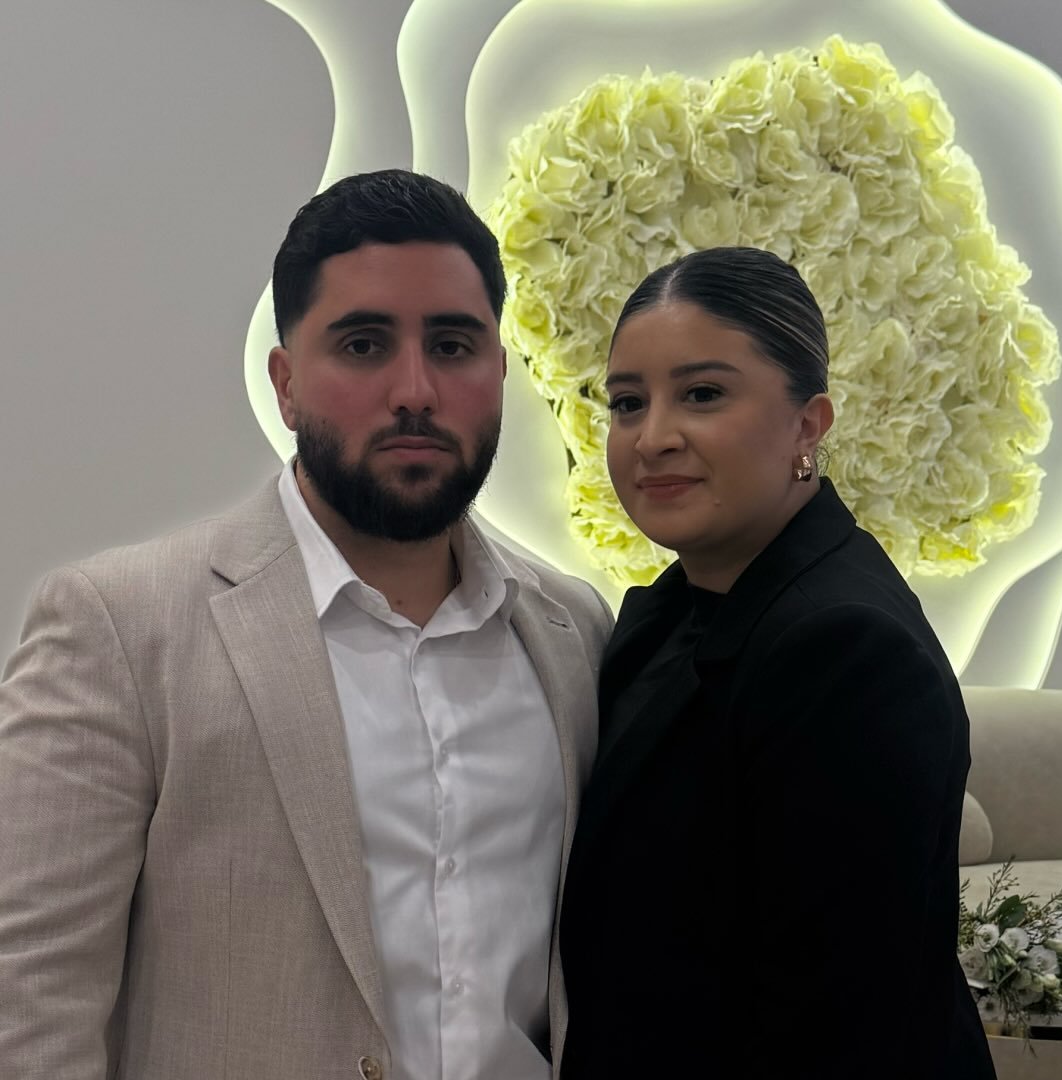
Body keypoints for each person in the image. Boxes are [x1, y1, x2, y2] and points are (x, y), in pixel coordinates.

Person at [0, 169, 612, 1080]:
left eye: (453, 345)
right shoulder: (122, 628)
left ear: (497, 371)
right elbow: (27, 1002)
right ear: (286, 385)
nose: (415, 389)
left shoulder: (572, 629)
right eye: (364, 345)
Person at [557, 247, 996, 1078]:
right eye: (627, 402)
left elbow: (836, 1028)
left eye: (702, 394)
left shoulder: (845, 652)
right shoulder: (679, 607)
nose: (652, 438)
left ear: (808, 425)